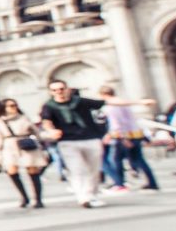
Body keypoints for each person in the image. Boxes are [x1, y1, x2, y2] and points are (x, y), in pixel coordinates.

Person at [40, 80, 152, 208]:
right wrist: (51, 130)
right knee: (77, 169)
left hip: (90, 138)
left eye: (61, 89)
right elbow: (46, 121)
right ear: (50, 92)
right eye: (55, 90)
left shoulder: (80, 101)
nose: (59, 92)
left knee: (93, 170)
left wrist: (139, 103)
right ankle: (83, 197)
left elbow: (109, 101)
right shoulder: (49, 106)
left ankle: (91, 194)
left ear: (67, 89)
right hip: (67, 141)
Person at [97, 85, 158, 191]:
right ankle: (152, 182)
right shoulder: (124, 104)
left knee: (115, 160)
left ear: (103, 95)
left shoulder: (110, 106)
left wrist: (122, 137)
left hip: (122, 135)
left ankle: (120, 183)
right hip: (135, 133)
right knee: (139, 160)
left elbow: (117, 124)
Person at [0, 99, 49, 208]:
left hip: (26, 144)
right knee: (12, 171)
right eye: (11, 106)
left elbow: (37, 132)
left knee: (33, 171)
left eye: (15, 105)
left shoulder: (24, 118)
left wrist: (46, 139)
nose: (14, 107)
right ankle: (24, 197)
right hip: (9, 146)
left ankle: (38, 199)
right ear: (4, 108)